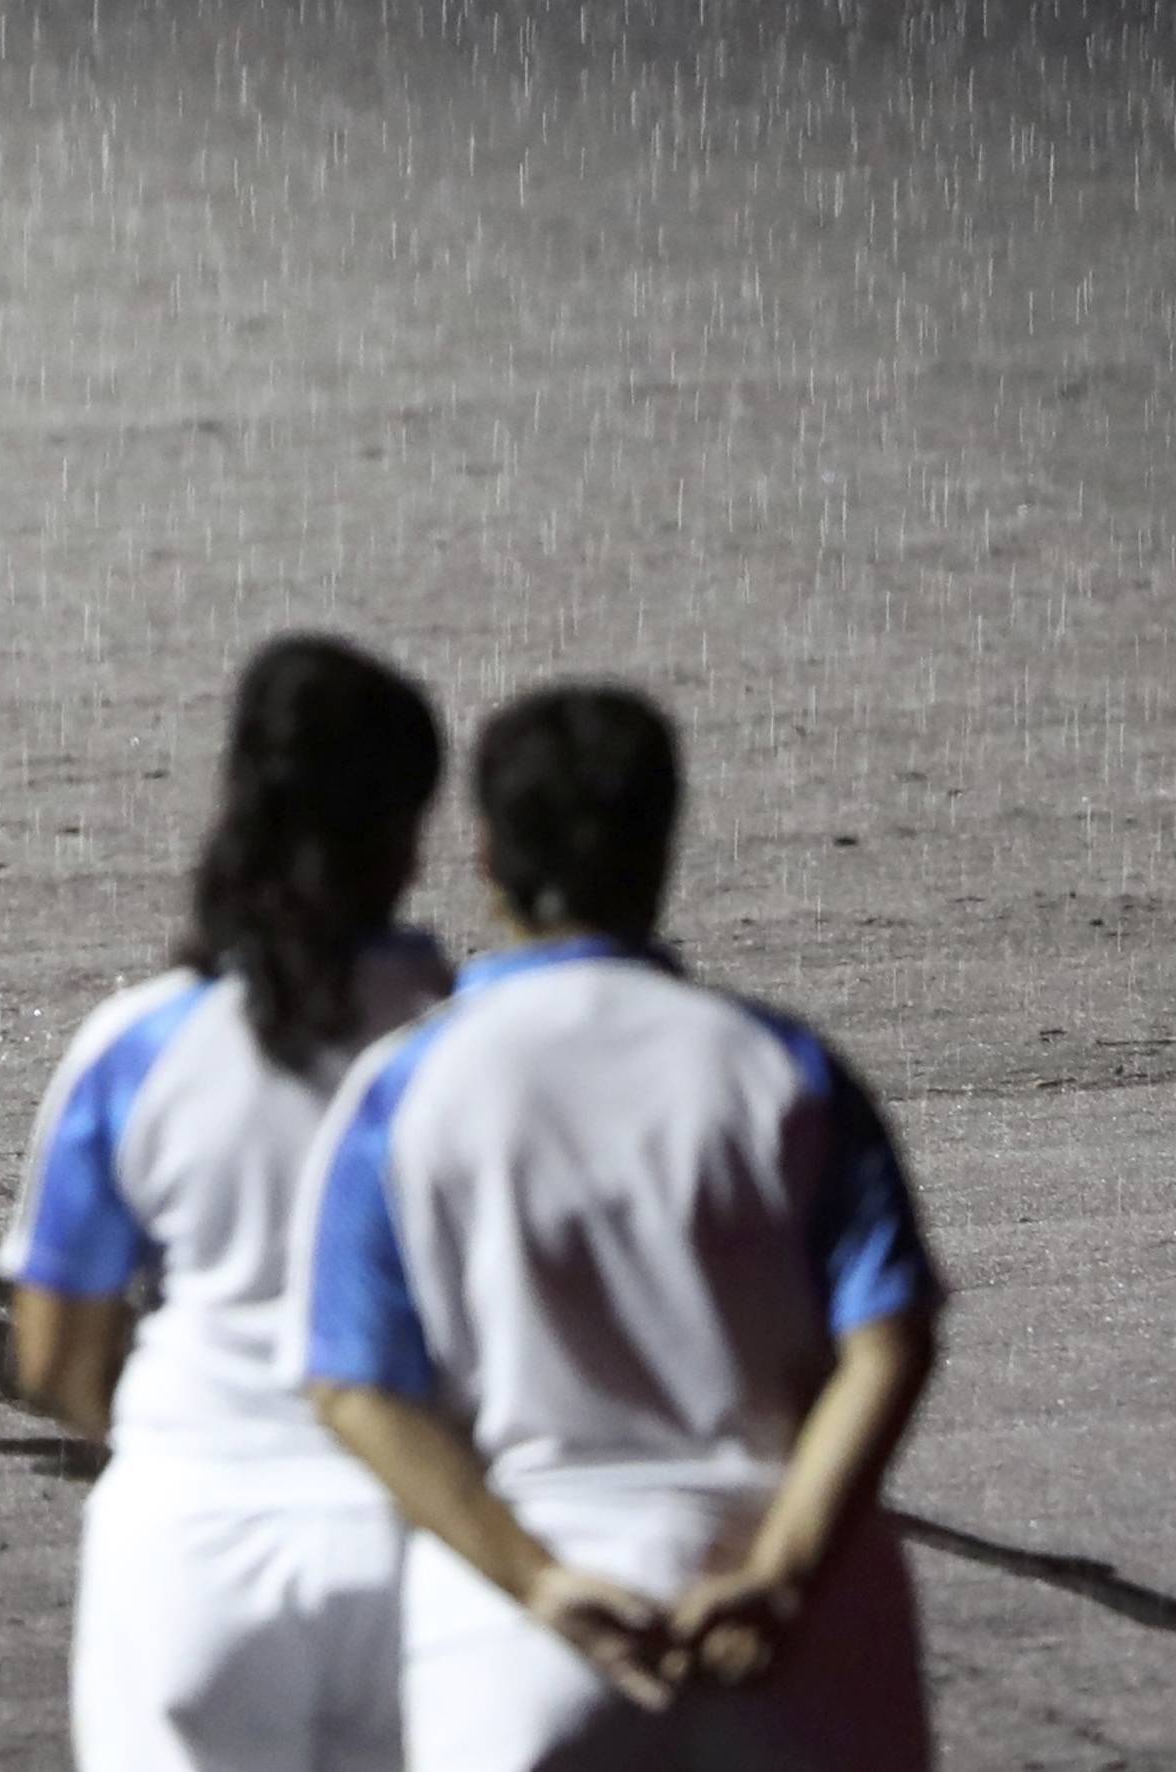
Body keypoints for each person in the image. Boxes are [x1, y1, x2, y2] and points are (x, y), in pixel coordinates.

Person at [290, 683, 943, 1770]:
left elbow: (355, 1389)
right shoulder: (783, 1070)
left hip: (525, 1637)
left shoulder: (404, 1089)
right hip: (792, 1646)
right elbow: (890, 1341)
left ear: (484, 852)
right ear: (661, 843)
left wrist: (538, 1581)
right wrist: (777, 1573)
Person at [2, 635, 456, 1771]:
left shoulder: (138, 1046)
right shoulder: (471, 1041)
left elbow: (55, 1355)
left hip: (192, 1542)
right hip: (425, 1544)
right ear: (411, 834)